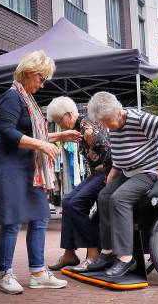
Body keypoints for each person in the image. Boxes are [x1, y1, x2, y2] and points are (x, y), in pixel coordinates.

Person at [0, 50, 81, 294]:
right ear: (29, 73)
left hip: (28, 169)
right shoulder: (12, 98)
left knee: (40, 217)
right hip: (9, 168)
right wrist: (41, 144)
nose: (42, 85)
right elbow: (7, 132)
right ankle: (5, 274)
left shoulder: (27, 99)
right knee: (11, 222)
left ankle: (38, 273)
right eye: (41, 79)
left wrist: (59, 136)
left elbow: (34, 135)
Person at [86, 91, 158, 278]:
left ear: (118, 112)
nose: (105, 126)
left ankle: (126, 258)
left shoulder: (140, 120)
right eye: (101, 122)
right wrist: (114, 170)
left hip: (150, 171)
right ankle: (107, 252)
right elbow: (122, 150)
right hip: (129, 171)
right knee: (104, 196)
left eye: (106, 121)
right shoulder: (111, 124)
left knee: (119, 199)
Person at [45, 96, 111, 272]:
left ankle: (93, 254)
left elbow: (107, 149)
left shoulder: (85, 126)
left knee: (75, 204)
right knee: (67, 202)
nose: (59, 126)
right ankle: (69, 254)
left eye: (59, 121)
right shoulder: (79, 128)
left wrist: (104, 170)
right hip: (96, 174)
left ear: (68, 115)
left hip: (106, 173)